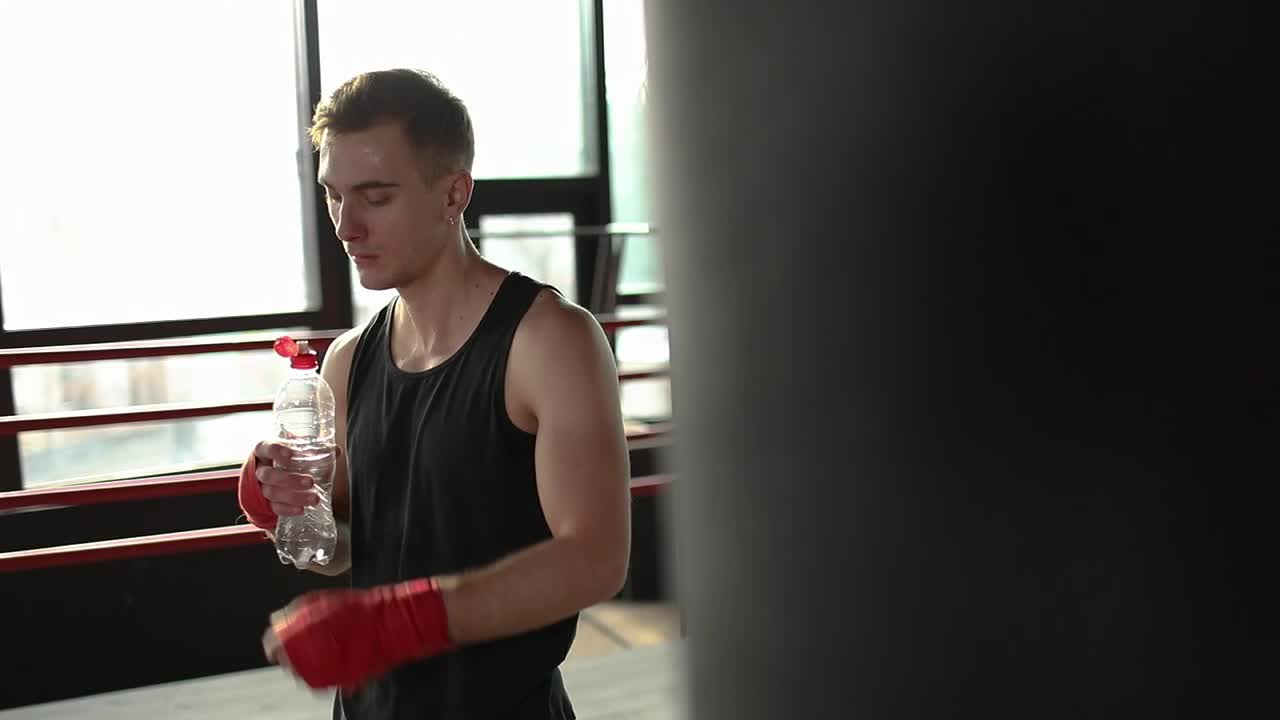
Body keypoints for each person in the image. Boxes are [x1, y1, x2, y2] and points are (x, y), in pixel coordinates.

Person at [235, 68, 632, 719]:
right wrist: (293, 515)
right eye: (334, 196)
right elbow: (346, 553)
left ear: (454, 193)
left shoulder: (549, 341)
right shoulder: (347, 361)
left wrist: (397, 623)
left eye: (376, 197)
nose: (346, 226)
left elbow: (595, 558)